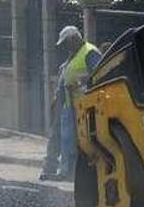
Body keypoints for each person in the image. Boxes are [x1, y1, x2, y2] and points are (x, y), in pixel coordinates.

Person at [41, 26, 102, 181]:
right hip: (68, 105)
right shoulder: (72, 55)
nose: (65, 47)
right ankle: (60, 170)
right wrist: (56, 99)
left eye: (66, 43)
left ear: (74, 39)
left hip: (83, 105)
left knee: (75, 140)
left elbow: (99, 75)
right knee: (64, 138)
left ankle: (70, 172)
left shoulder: (90, 52)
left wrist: (80, 84)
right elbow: (65, 78)